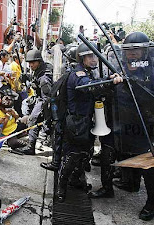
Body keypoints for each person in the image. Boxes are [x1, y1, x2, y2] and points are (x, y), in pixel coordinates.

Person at [56, 42, 123, 202]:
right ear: (82, 58)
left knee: (85, 155)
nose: (95, 59)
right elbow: (88, 87)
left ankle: (75, 180)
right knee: (72, 157)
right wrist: (109, 82)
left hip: (86, 122)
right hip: (76, 123)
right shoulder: (78, 74)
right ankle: (61, 188)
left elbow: (94, 84)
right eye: (91, 56)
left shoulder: (87, 72)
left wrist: (108, 79)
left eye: (95, 56)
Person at [111, 32, 154, 221]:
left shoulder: (151, 72)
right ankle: (131, 183)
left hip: (150, 123)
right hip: (131, 122)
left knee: (149, 165)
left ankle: (152, 204)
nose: (132, 54)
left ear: (144, 51)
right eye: (129, 50)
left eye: (136, 50)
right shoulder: (125, 69)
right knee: (132, 155)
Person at [15, 49, 53, 155]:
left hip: (45, 100)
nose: (30, 65)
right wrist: (27, 77)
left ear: (39, 61)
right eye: (29, 63)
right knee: (25, 104)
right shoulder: (41, 69)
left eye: (33, 63)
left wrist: (42, 114)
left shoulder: (44, 78)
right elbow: (35, 77)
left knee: (33, 120)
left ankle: (31, 146)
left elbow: (47, 98)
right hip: (39, 97)